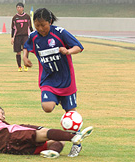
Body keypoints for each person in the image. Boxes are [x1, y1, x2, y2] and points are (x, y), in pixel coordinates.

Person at [23, 8, 84, 157]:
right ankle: (59, 130)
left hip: (66, 80)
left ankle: (77, 143)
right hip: (48, 80)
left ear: (49, 22)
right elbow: (26, 46)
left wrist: (68, 51)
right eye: (37, 25)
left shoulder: (60, 33)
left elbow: (79, 47)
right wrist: (25, 58)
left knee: (71, 114)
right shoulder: (34, 36)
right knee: (47, 107)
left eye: (43, 25)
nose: (40, 28)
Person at [0, 94, 93, 158]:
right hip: (14, 137)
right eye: (2, 113)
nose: (4, 117)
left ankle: (53, 152)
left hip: (16, 148)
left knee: (59, 140)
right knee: (45, 132)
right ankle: (75, 136)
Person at [11, 2, 33, 72]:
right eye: (17, 7)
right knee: (18, 52)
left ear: (23, 8)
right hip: (17, 36)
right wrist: (12, 37)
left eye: (20, 7)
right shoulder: (15, 18)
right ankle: (19, 66)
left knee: (25, 50)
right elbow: (13, 28)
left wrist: (32, 35)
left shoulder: (27, 17)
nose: (19, 9)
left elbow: (30, 27)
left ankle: (25, 65)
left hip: (25, 36)